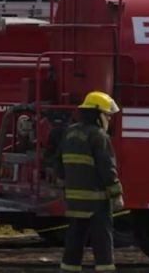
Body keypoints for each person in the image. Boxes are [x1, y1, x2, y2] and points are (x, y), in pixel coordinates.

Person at [58, 91, 123, 273]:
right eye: (107, 115)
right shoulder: (99, 136)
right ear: (98, 114)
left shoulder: (69, 132)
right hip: (97, 202)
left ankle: (68, 269)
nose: (109, 119)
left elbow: (58, 163)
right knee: (102, 241)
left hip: (74, 200)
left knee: (75, 239)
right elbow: (106, 167)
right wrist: (117, 193)